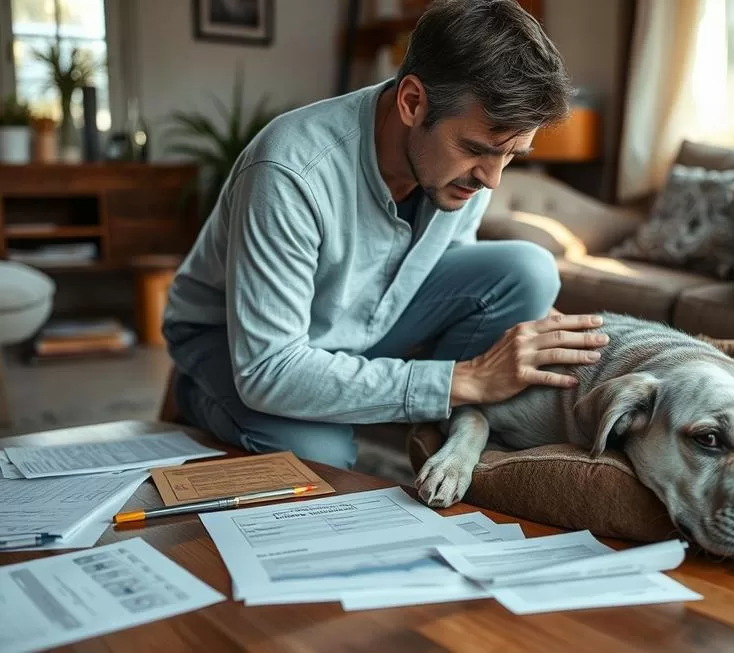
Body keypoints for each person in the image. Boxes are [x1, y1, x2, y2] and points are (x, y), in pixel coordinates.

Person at [162, 0, 609, 470]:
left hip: (364, 320)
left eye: (511, 154)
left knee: (530, 272)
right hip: (239, 341)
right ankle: (196, 392)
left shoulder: (462, 170)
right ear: (412, 102)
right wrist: (464, 379)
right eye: (476, 149)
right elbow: (268, 369)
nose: (492, 179)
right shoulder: (289, 171)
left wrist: (513, 331)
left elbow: (451, 267)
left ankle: (428, 429)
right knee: (320, 457)